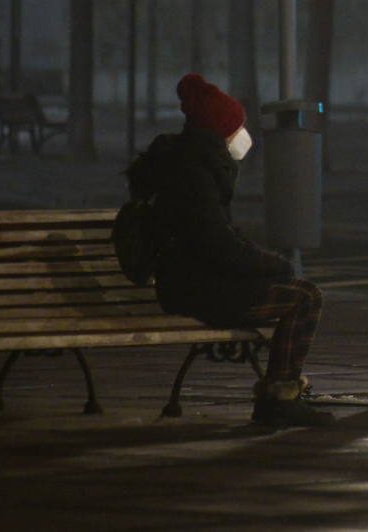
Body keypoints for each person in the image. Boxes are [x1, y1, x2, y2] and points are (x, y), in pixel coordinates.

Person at [127, 73, 335, 428]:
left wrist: (265, 264)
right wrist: (273, 266)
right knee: (304, 298)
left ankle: (279, 394)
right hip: (197, 289)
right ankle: (279, 400)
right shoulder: (193, 175)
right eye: (236, 126)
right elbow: (217, 245)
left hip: (194, 282)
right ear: (219, 131)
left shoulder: (193, 166)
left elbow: (219, 237)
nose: (242, 134)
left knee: (300, 292)